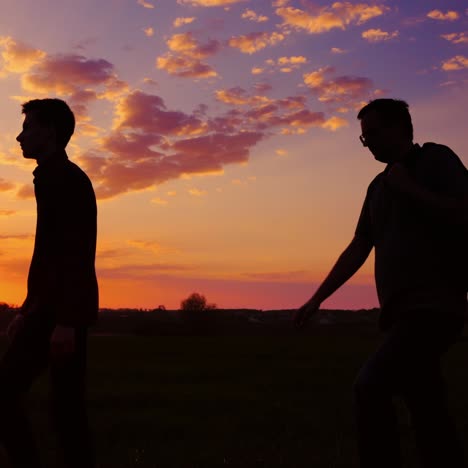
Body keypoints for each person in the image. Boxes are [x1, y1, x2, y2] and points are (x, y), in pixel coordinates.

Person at [294, 99, 467, 468]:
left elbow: (462, 212)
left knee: (370, 386)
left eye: (373, 133)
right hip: (400, 313)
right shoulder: (378, 186)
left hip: (435, 306)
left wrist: (410, 190)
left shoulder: (435, 160)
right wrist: (317, 298)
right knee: (427, 408)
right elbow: (359, 245)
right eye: (363, 136)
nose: (368, 142)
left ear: (400, 127)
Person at [0, 98, 98, 468]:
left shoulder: (65, 179)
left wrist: (67, 322)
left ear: (50, 132)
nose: (19, 136)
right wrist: (27, 308)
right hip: (51, 310)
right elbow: (49, 255)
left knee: (55, 408)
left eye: (28, 128)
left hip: (60, 314)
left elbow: (76, 252)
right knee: (66, 410)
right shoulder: (53, 177)